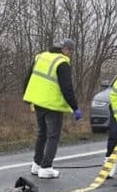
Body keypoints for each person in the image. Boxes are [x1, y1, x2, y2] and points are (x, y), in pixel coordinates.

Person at [23, 38, 82, 179]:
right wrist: (75, 107)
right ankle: (46, 167)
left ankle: (36, 165)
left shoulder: (41, 57)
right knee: (53, 136)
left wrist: (27, 96)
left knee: (42, 133)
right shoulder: (62, 62)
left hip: (38, 102)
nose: (70, 55)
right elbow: (67, 88)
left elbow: (28, 78)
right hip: (52, 104)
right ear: (65, 49)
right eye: (71, 52)